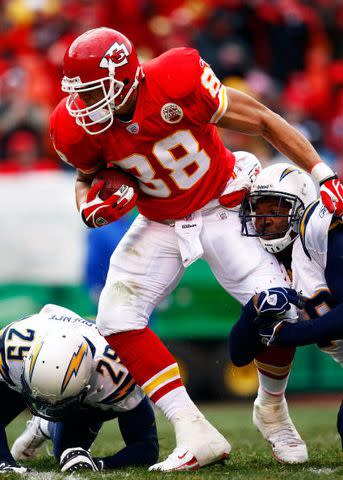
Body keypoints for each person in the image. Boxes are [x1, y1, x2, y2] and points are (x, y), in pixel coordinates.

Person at [50, 26, 343, 471]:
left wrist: (322, 174)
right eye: (80, 93)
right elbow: (85, 178)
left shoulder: (177, 76)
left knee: (277, 308)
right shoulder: (75, 125)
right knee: (115, 316)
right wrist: (89, 207)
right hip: (160, 220)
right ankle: (193, 429)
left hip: (222, 204)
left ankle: (271, 408)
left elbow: (262, 120)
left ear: (125, 76)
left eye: (94, 91)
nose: (84, 104)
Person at [230, 162, 343, 449]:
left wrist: (287, 335)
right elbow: (239, 355)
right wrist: (253, 310)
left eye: (275, 209)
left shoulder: (322, 231)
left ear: (300, 207)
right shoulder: (262, 262)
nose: (263, 220)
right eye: (257, 210)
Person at [0, 304, 158, 473]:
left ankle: (45, 426)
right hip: (29, 363)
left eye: (56, 402)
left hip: (88, 389)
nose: (48, 406)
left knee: (69, 453)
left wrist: (99, 464)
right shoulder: (10, 348)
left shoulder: (116, 374)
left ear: (86, 384)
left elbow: (146, 446)